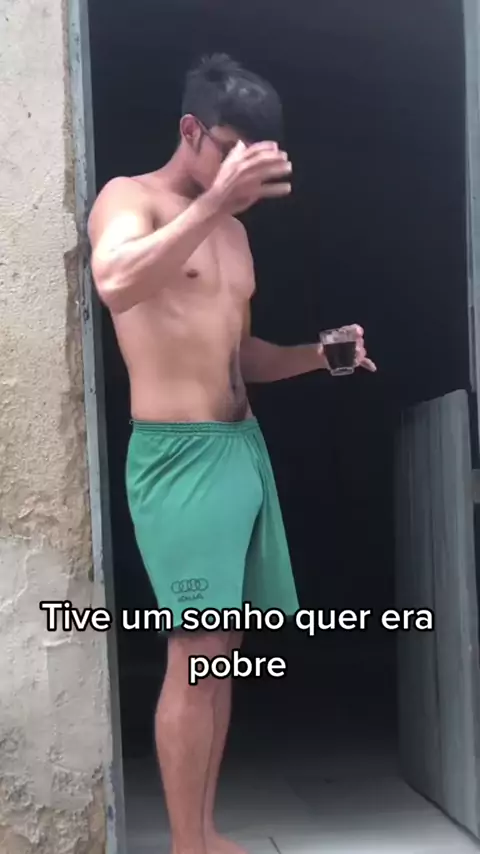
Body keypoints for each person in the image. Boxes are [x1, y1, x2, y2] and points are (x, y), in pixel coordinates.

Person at [88, 53, 376, 854]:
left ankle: (205, 832)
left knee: (222, 650)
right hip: (176, 456)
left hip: (242, 451)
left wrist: (321, 356)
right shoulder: (129, 199)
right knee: (195, 652)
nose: (242, 176)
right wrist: (214, 201)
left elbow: (238, 356)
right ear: (191, 130)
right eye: (231, 154)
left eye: (257, 163)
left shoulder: (238, 237)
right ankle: (188, 847)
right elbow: (115, 282)